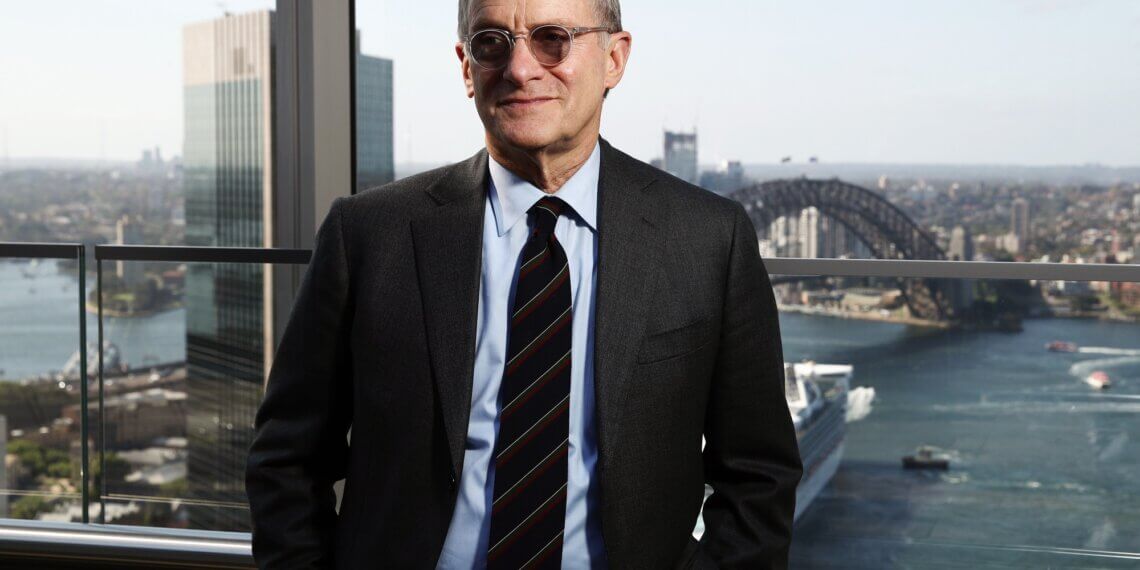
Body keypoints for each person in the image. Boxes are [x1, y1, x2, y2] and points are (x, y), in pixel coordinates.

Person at [245, 0, 802, 567]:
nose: (519, 69)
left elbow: (759, 473)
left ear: (615, 58)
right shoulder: (368, 235)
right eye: (492, 42)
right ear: (467, 67)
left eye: (553, 39)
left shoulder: (708, 237)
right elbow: (288, 458)